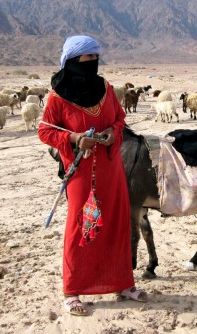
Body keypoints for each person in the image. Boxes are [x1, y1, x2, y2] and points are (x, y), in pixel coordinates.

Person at [38, 34, 147, 316]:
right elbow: (45, 131)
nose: (93, 64)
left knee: (116, 224)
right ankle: (72, 291)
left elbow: (119, 119)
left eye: (96, 59)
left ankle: (122, 284)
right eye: (88, 59)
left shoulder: (106, 88)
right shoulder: (57, 96)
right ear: (74, 61)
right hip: (81, 175)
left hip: (111, 172)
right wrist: (74, 138)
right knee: (82, 229)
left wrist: (113, 133)